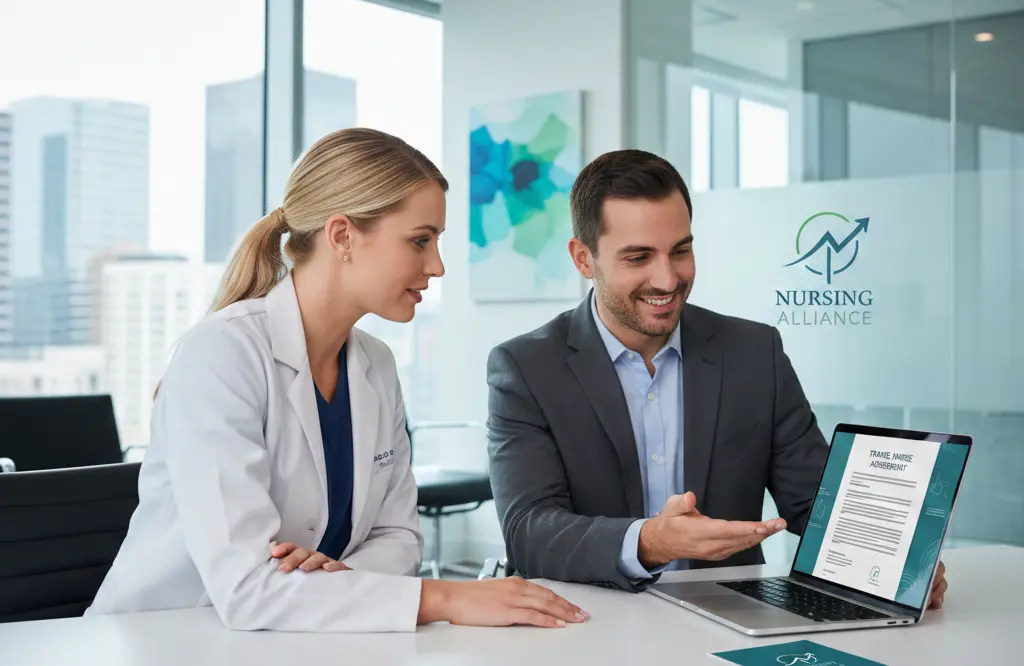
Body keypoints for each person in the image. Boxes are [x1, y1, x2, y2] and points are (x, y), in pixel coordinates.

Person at [87, 128, 589, 633]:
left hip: (298, 641)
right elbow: (248, 590)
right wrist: (444, 597)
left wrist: (329, 584)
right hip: (164, 640)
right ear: (343, 235)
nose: (436, 266)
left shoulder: (376, 364)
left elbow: (400, 538)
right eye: (420, 240)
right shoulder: (223, 353)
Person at [485, 148, 948, 608]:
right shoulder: (526, 369)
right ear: (584, 259)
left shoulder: (754, 353)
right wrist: (650, 541)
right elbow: (529, 533)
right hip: (592, 623)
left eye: (680, 250)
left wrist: (896, 563)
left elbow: (814, 502)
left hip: (734, 618)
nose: (667, 279)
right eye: (639, 257)